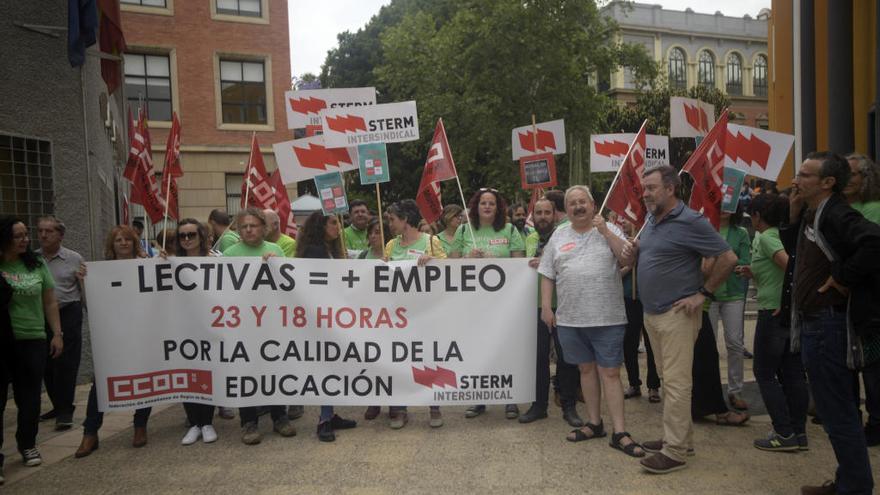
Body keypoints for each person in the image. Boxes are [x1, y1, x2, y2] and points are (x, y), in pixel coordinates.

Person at [625, 165, 738, 474]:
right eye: (644, 188)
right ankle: (681, 440)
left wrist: (704, 293)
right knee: (668, 380)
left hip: (677, 315)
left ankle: (674, 451)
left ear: (670, 189)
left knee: (676, 384)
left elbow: (728, 259)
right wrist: (635, 251)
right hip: (652, 313)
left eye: (650, 188)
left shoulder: (692, 221)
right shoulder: (650, 219)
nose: (645, 193)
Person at [781, 152, 879, 495]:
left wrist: (843, 277)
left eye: (805, 175)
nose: (797, 180)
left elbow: (874, 241)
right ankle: (849, 481)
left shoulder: (836, 212)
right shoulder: (813, 212)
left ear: (828, 182)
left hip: (827, 326)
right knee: (838, 410)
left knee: (838, 412)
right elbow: (799, 258)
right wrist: (793, 218)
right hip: (817, 325)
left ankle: (854, 488)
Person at [538, 186, 644, 458]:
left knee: (609, 373)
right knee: (585, 371)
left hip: (607, 317)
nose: (577, 207)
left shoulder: (609, 229)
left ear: (593, 204)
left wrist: (606, 232)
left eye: (582, 202)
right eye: (572, 203)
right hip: (571, 319)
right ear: (567, 208)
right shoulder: (559, 235)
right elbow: (548, 273)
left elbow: (627, 258)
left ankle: (619, 431)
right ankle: (594, 423)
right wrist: (546, 307)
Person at [738, 194, 809, 451]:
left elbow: (791, 268)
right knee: (792, 374)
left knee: (764, 374)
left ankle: (783, 432)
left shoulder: (768, 238)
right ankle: (798, 433)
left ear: (758, 216)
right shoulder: (779, 236)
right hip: (784, 313)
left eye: (752, 215)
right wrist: (753, 272)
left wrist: (788, 298)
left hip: (774, 313)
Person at [75, 225, 152, 458]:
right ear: (112, 245)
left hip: (141, 332)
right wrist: (83, 283)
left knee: (146, 378)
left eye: (127, 239)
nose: (123, 243)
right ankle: (90, 432)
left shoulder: (146, 267)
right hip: (112, 335)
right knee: (101, 382)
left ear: (134, 242)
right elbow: (91, 306)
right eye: (118, 240)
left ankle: (140, 426)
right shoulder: (101, 271)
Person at [222, 208, 296, 444]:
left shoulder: (274, 250)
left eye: (253, 225)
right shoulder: (229, 253)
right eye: (244, 226)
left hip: (271, 322)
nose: (249, 230)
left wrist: (275, 265)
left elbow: (289, 284)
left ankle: (279, 417)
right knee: (246, 372)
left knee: (274, 369)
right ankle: (249, 422)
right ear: (238, 229)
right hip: (242, 324)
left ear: (264, 228)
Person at [370, 200, 446, 429]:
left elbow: (449, 271)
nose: (389, 224)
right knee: (398, 360)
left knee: (428, 358)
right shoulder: (392, 246)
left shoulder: (431, 242)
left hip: (426, 314)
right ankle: (400, 409)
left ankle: (434, 406)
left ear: (405, 220)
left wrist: (433, 262)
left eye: (392, 219)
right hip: (398, 316)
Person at [450, 188, 525, 419]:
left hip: (503, 304)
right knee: (477, 350)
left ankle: (510, 398)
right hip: (473, 304)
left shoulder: (510, 229)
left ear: (499, 207)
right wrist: (466, 259)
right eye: (483, 203)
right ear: (476, 206)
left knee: (505, 348)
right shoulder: (464, 230)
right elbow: (450, 265)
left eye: (492, 203)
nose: (487, 206)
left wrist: (497, 262)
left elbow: (520, 266)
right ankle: (479, 398)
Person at [0, 216, 63, 468]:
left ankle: (27, 444)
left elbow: (49, 301)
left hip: (33, 340)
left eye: (26, 234)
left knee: (30, 399)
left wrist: (57, 334)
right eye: (18, 236)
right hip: (3, 343)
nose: (26, 239)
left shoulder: (36, 264)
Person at [520, 196, 583, 427]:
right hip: (534, 307)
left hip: (562, 305)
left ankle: (569, 406)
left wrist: (547, 263)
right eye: (539, 213)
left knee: (566, 359)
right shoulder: (529, 239)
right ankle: (539, 406)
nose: (543, 217)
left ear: (555, 214)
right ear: (533, 216)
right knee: (538, 359)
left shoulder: (564, 237)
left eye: (547, 212)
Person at [295, 211, 358, 441]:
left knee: (331, 366)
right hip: (320, 319)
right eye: (333, 223)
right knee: (325, 366)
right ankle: (323, 420)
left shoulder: (328, 250)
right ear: (320, 226)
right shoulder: (315, 252)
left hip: (330, 317)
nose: (338, 227)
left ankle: (329, 413)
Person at [171, 219, 220, 445]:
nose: (187, 239)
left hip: (209, 326)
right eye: (183, 236)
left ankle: (207, 422)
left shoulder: (217, 261)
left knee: (207, 374)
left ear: (201, 236)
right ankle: (194, 423)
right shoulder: (169, 263)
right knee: (186, 374)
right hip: (181, 327)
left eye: (191, 234)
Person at [35, 216, 85, 431]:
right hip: (40, 315)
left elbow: (83, 287)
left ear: (61, 235)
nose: (44, 235)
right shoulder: (32, 259)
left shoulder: (73, 258)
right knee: (46, 364)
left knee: (66, 363)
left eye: (49, 231)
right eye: (40, 231)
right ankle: (58, 405)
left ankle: (65, 411)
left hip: (68, 313)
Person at [843, 153, 880, 447]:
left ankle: (877, 421)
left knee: (872, 364)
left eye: (852, 174)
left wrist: (843, 276)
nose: (847, 179)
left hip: (870, 299)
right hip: (845, 302)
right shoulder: (842, 209)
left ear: (865, 179)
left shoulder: (874, 210)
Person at [707, 207, 751, 410]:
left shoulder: (741, 233)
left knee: (735, 343)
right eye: (719, 203)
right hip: (709, 295)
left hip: (734, 294)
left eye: (728, 204)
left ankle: (735, 391)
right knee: (708, 345)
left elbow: (744, 261)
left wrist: (721, 262)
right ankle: (712, 390)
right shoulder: (706, 229)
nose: (723, 208)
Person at [618, 216, 661, 404]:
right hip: (628, 299)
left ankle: (654, 386)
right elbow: (613, 274)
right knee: (629, 343)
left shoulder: (649, 240)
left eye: (627, 219)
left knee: (652, 343)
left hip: (649, 297)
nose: (624, 222)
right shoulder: (618, 243)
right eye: (621, 220)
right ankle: (634, 383)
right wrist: (630, 263)